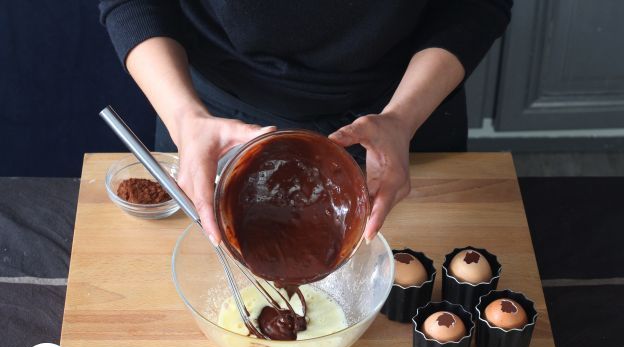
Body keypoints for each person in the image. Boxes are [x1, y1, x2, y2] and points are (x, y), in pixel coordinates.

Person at [99, 0, 512, 244]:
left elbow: (474, 6)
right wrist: (185, 119)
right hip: (210, 125)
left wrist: (403, 118)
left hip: (404, 119)